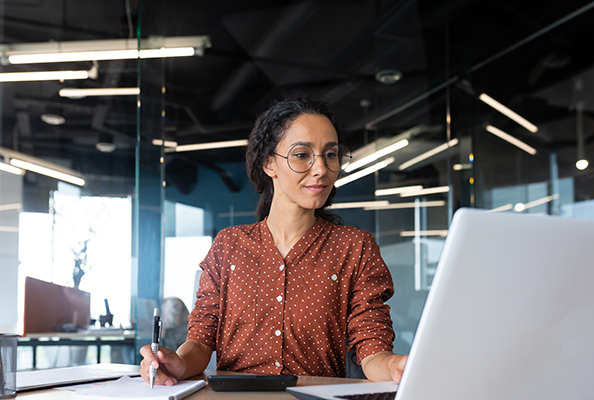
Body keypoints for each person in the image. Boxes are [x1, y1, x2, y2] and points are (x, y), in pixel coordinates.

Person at [140, 96, 408, 385]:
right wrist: (177, 363)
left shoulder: (354, 248)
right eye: (302, 154)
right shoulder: (229, 246)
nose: (321, 169)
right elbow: (201, 342)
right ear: (269, 163)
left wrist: (396, 366)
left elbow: (372, 349)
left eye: (330, 154)